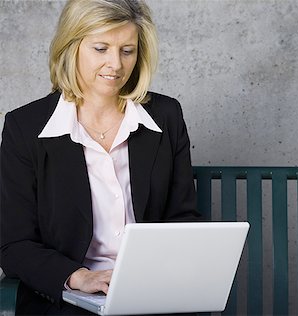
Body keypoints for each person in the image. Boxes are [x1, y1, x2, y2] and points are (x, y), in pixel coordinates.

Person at [0, 0, 201, 314]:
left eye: (127, 50)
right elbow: (14, 244)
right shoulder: (25, 127)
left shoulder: (166, 116)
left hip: (151, 293)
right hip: (68, 299)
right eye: (100, 48)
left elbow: (182, 218)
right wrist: (78, 277)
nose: (116, 65)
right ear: (72, 47)